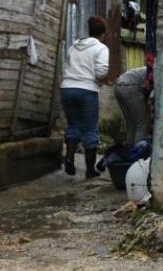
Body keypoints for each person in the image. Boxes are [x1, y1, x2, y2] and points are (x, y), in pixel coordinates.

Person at [61, 16, 110, 178]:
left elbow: (67, 64)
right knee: (90, 129)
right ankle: (90, 170)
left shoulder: (74, 46)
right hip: (87, 90)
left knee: (73, 124)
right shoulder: (101, 48)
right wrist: (100, 80)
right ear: (102, 34)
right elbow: (101, 72)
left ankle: (69, 157)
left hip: (67, 88)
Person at [114, 66, 151, 145]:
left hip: (118, 85)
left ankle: (129, 151)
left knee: (131, 123)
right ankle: (138, 154)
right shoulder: (160, 73)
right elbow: (153, 96)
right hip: (131, 86)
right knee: (142, 124)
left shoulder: (149, 69)